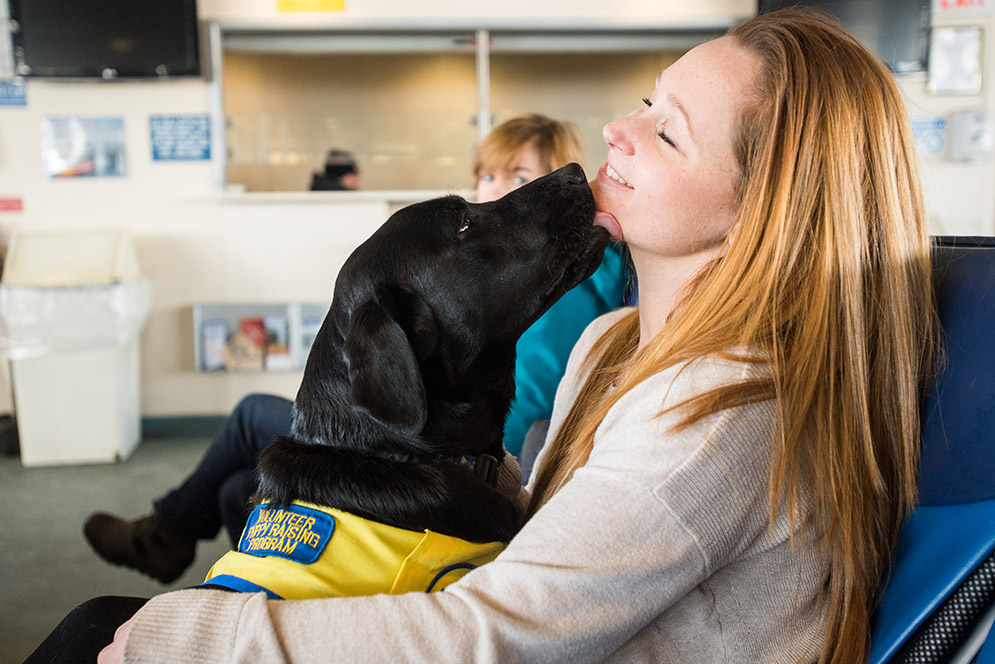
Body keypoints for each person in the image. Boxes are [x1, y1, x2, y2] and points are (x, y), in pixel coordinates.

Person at [33, 8, 936, 662]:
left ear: (763, 209)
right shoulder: (614, 344)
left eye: (667, 133)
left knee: (100, 630)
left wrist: (187, 635)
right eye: (643, 101)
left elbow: (490, 632)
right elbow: (532, 545)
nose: (617, 130)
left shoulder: (716, 416)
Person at [81, 114, 629, 585]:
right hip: (437, 447)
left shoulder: (550, 284)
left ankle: (167, 534)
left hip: (465, 448)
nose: (496, 189)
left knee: (250, 424)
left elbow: (520, 410)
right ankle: (187, 538)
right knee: (234, 490)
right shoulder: (511, 279)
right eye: (487, 175)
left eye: (517, 175)